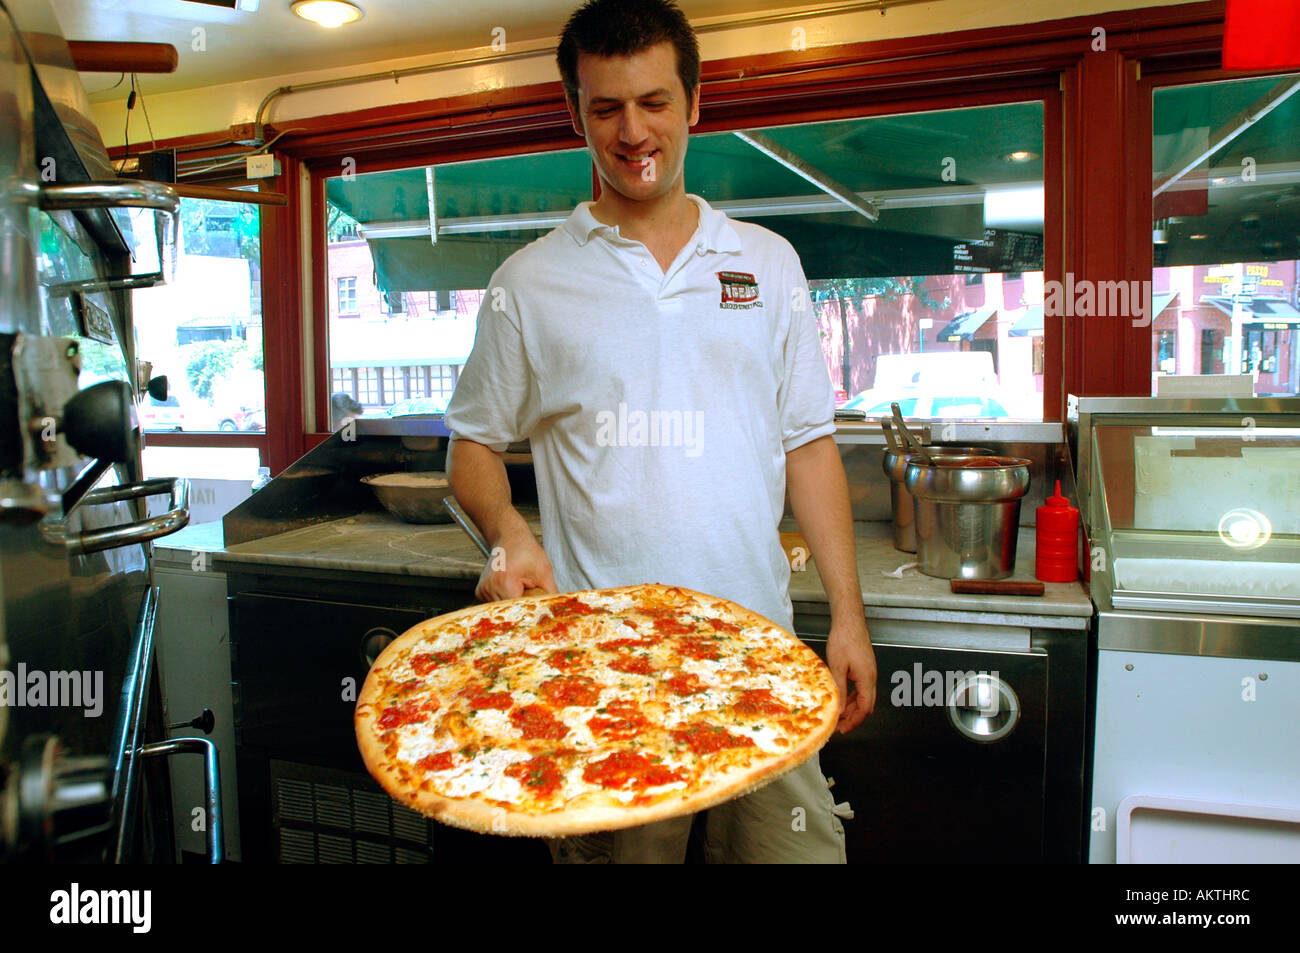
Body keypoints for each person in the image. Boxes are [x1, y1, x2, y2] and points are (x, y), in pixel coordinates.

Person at [444, 0, 876, 864]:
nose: (632, 131)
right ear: (575, 115)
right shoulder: (527, 282)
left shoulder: (767, 261)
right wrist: (510, 533)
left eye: (653, 102)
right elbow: (472, 445)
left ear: (694, 103)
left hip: (759, 659)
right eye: (606, 108)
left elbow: (808, 445)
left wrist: (848, 616)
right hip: (602, 678)